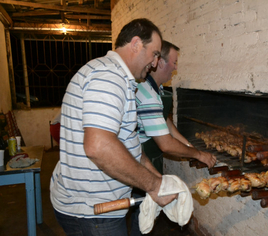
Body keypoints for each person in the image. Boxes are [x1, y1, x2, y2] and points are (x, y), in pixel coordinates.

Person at [50, 18, 177, 236]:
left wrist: (160, 180)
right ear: (136, 44)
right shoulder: (109, 77)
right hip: (92, 211)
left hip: (95, 206)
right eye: (155, 54)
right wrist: (154, 186)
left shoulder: (118, 79)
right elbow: (98, 146)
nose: (155, 63)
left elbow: (130, 146)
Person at [129, 41, 216, 236]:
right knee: (141, 216)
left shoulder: (156, 90)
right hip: (138, 162)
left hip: (146, 159)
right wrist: (199, 154)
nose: (176, 68)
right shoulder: (147, 94)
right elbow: (166, 144)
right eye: (174, 63)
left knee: (144, 212)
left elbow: (165, 122)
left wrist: (188, 146)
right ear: (159, 62)